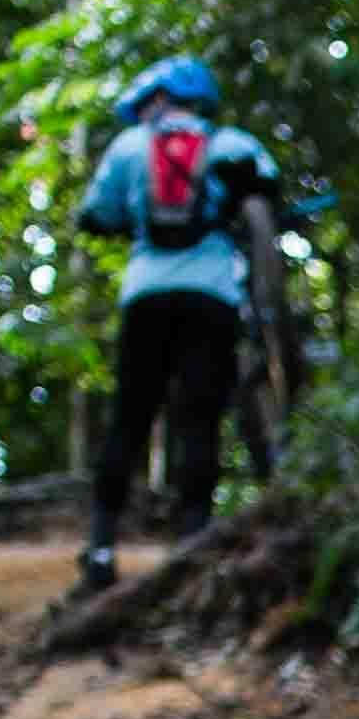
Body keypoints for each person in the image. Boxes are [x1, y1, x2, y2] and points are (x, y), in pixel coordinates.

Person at [70, 57, 284, 591]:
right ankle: (192, 545)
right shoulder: (231, 143)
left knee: (130, 416)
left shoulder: (126, 148)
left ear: (163, 97)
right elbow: (268, 190)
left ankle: (100, 547)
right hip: (210, 292)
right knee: (200, 415)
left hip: (145, 292)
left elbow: (98, 214)